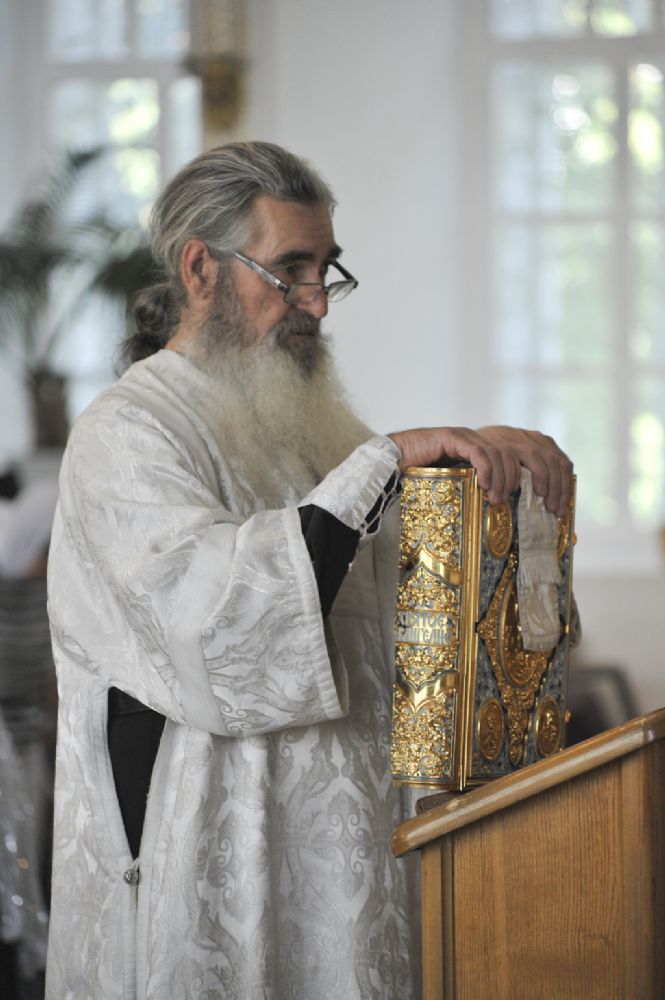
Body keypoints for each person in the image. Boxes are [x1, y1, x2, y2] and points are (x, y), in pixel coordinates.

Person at [45, 141, 573, 1000]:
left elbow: (404, 602)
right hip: (216, 866)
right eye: (289, 270)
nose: (316, 302)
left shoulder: (309, 427)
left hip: (348, 860)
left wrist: (478, 466)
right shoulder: (129, 432)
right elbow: (216, 628)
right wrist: (385, 460)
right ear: (200, 269)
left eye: (325, 270)